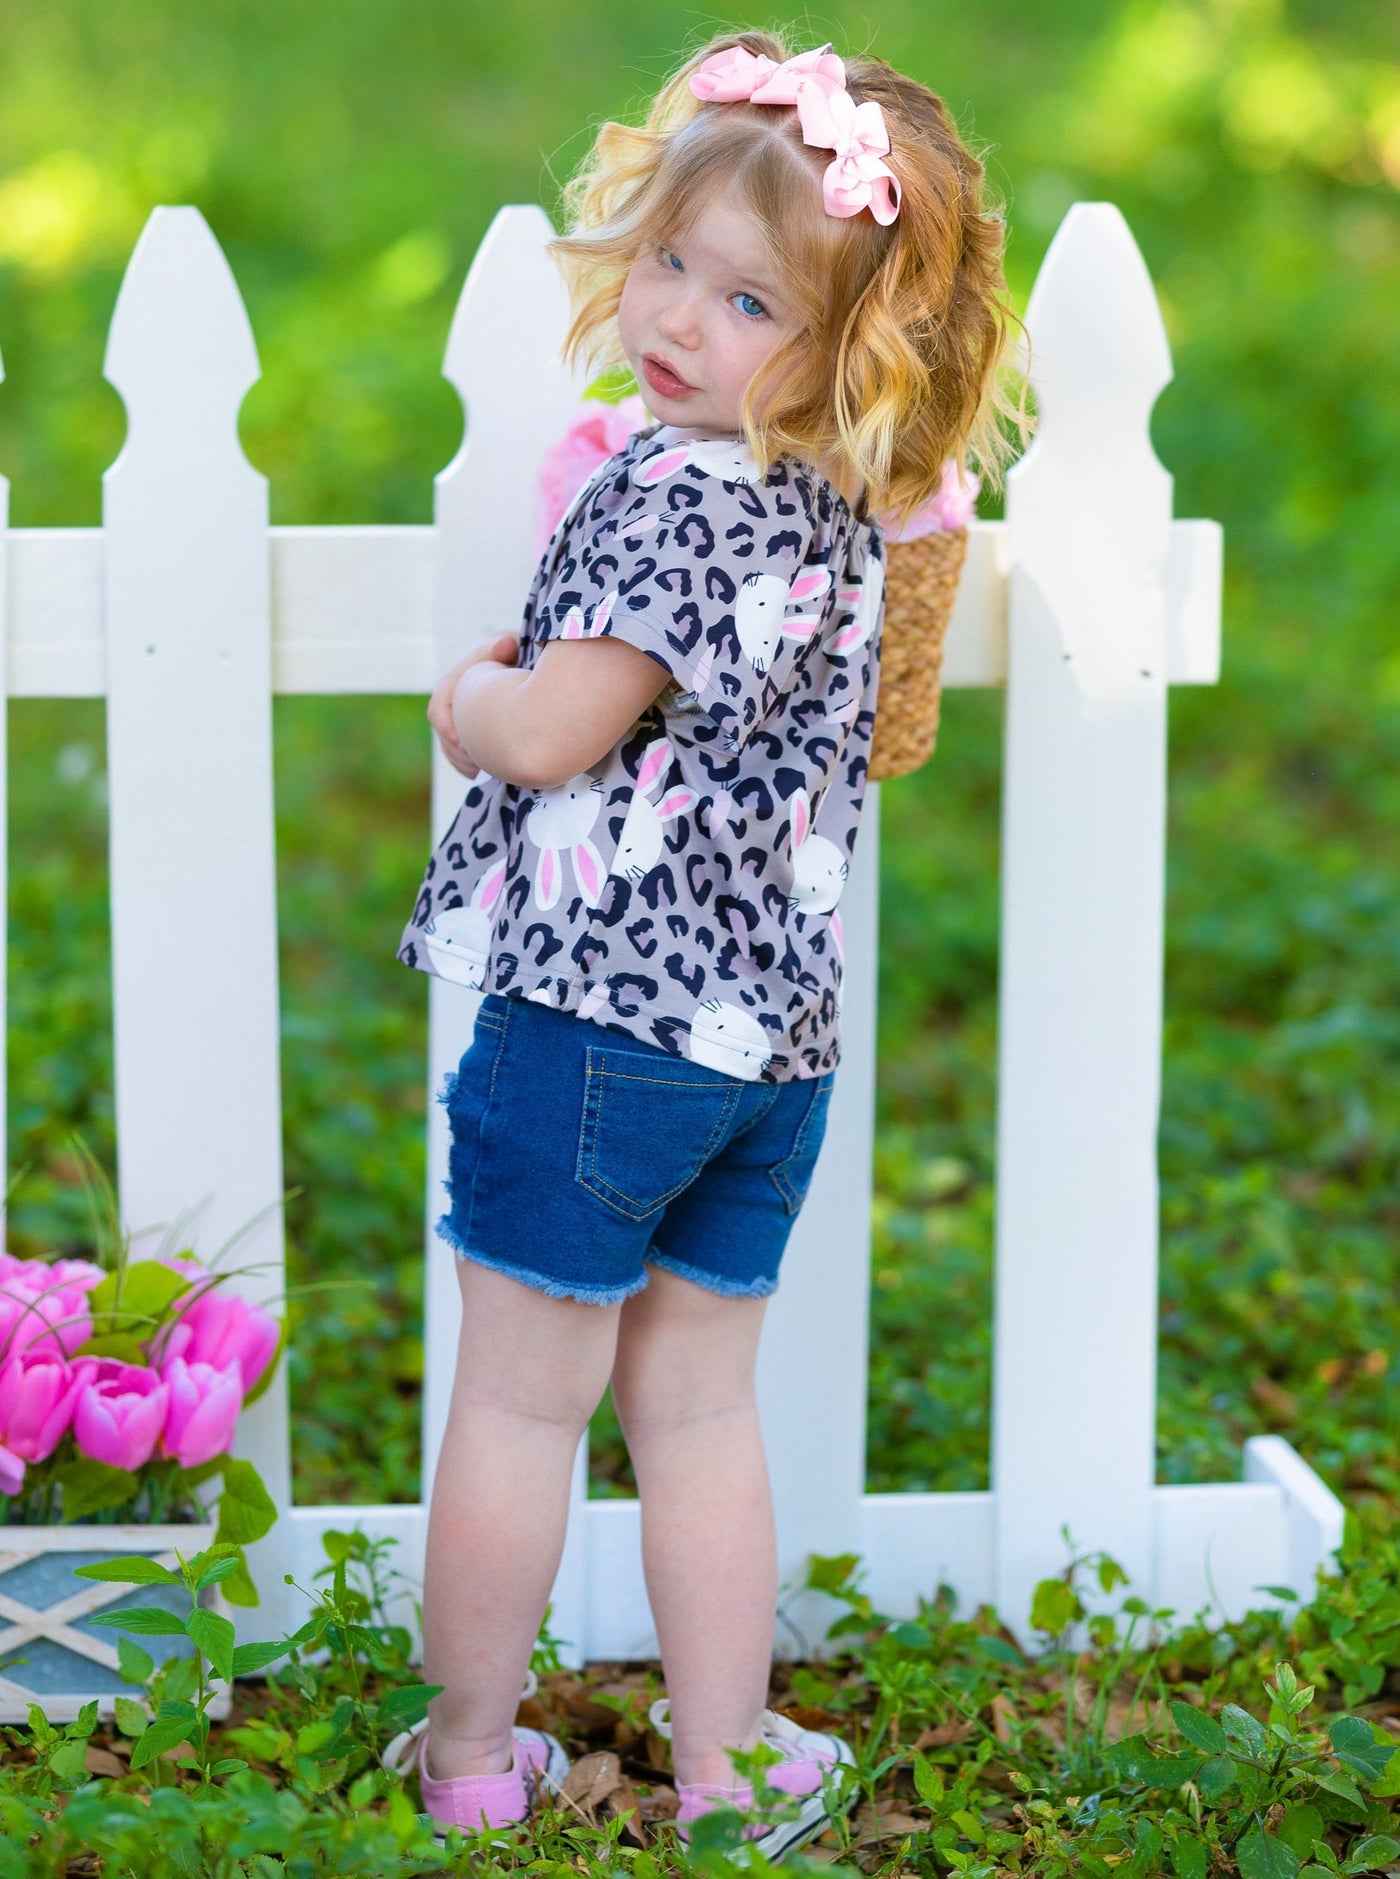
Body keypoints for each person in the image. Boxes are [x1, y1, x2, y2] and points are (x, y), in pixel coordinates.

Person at [383, 27, 1020, 1854]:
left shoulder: (663, 497)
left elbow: (557, 728)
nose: (676, 316)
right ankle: (731, 1770)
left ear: (848, 346)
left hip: (596, 1031)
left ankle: (472, 1762)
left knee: (518, 1406)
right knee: (700, 1413)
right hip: (769, 1054)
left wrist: (466, 698)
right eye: (668, 261)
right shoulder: (855, 516)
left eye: (748, 300)